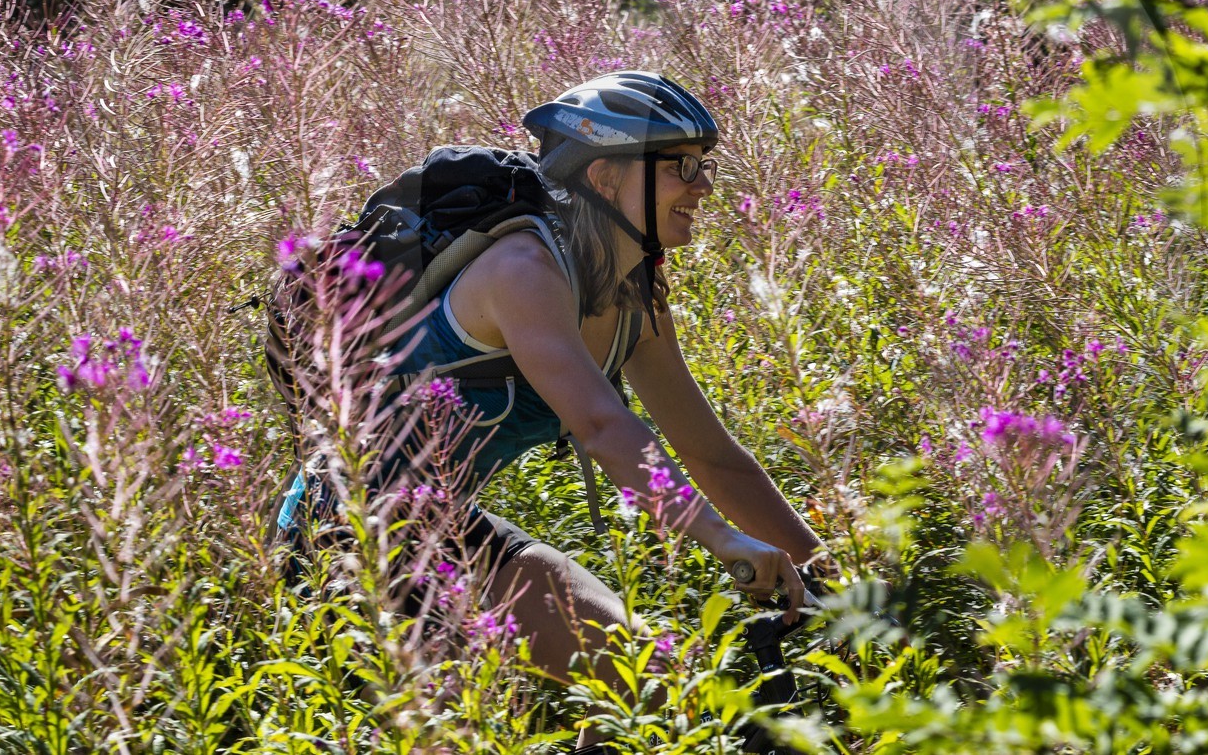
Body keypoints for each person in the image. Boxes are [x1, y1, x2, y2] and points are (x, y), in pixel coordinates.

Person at [276, 70, 822, 749]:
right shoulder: (522, 268)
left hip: (448, 527)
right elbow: (601, 425)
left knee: (649, 683)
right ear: (603, 177)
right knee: (461, 732)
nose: (703, 185)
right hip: (349, 532)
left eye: (704, 166)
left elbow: (713, 457)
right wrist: (723, 539)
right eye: (682, 166)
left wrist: (830, 575)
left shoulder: (634, 295)